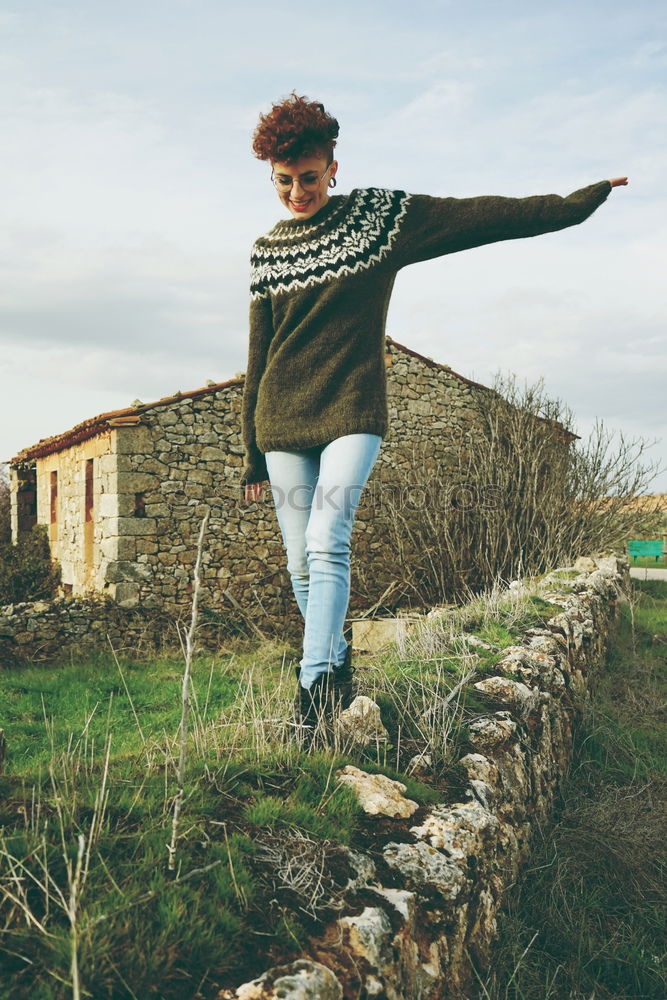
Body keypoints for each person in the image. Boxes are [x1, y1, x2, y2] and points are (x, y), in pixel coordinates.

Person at [240, 91, 628, 743]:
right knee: (299, 565)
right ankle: (336, 671)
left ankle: (310, 691)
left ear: (333, 167)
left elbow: (473, 217)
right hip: (280, 422)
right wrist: (250, 453)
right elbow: (257, 354)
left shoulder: (377, 220)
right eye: (284, 182)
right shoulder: (266, 251)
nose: (297, 192)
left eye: (309, 178)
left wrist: (571, 203)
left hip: (351, 411)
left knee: (326, 541)